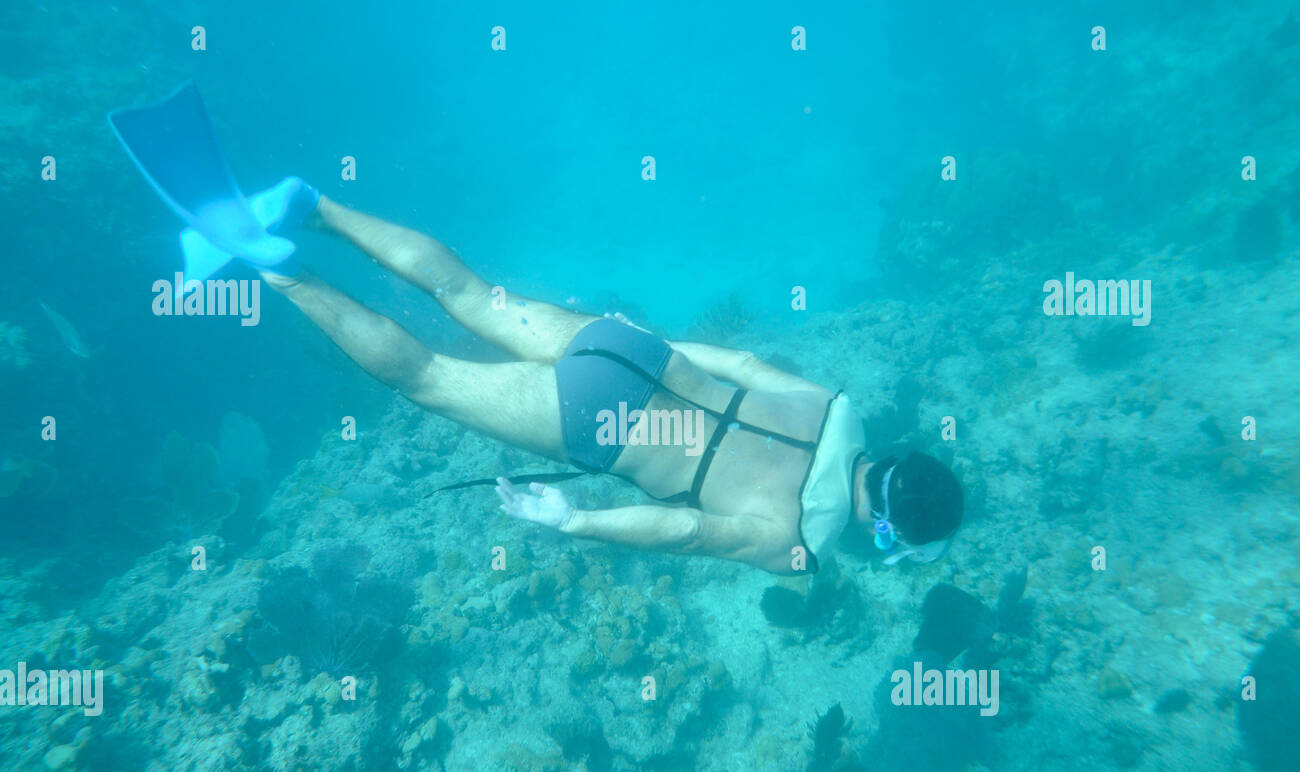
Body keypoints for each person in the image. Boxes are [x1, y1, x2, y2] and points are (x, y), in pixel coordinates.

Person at [109, 84, 963, 576]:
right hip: (605, 422)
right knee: (427, 377)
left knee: (470, 295)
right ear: (886, 529)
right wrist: (572, 520)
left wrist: (644, 337)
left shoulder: (836, 407)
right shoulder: (797, 540)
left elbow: (737, 357)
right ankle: (270, 262)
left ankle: (313, 205)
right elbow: (687, 528)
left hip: (633, 349)